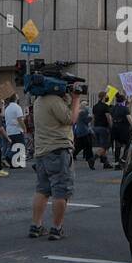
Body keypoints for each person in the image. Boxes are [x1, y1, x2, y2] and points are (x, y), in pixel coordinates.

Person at [28, 86, 82, 241]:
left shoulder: (39, 100)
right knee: (61, 191)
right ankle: (57, 228)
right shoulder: (54, 100)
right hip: (58, 150)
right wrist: (76, 98)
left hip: (42, 152)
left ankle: (36, 226)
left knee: (42, 190)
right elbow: (71, 119)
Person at [110, 92, 132, 165]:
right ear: (124, 101)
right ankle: (124, 158)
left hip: (115, 128)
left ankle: (117, 161)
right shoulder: (125, 108)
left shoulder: (113, 108)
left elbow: (111, 118)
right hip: (124, 129)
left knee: (117, 145)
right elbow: (129, 118)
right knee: (129, 144)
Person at [90, 94, 114, 169]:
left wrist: (92, 127)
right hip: (103, 128)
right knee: (105, 146)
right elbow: (108, 117)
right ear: (103, 97)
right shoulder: (105, 106)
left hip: (96, 127)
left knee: (102, 146)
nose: (107, 97)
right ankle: (93, 159)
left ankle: (106, 163)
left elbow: (93, 118)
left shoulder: (95, 106)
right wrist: (111, 126)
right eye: (106, 96)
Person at [3, 94, 26, 167]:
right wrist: (24, 128)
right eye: (18, 97)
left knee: (14, 146)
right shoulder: (17, 107)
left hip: (9, 131)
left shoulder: (7, 108)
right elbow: (20, 119)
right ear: (16, 98)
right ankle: (10, 159)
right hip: (17, 130)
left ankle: (9, 159)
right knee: (21, 146)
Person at [73, 101, 95, 168]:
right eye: (87, 105)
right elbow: (87, 121)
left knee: (79, 145)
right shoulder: (83, 112)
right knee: (88, 146)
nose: (88, 106)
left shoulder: (78, 112)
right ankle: (90, 159)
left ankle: (74, 155)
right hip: (84, 131)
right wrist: (91, 117)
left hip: (78, 131)